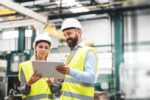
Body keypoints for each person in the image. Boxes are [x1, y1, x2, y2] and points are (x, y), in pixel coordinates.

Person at [56, 18, 99, 100]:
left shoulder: (88, 52)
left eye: (69, 33)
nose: (67, 37)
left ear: (78, 32)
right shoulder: (70, 55)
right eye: (65, 35)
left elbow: (90, 78)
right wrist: (62, 79)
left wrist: (70, 71)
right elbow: (71, 80)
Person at [18, 33, 60, 100]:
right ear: (35, 48)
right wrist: (29, 84)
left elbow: (55, 91)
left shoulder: (52, 66)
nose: (43, 50)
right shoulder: (25, 66)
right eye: (40, 47)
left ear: (49, 50)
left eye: (46, 48)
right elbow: (23, 92)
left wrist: (52, 85)